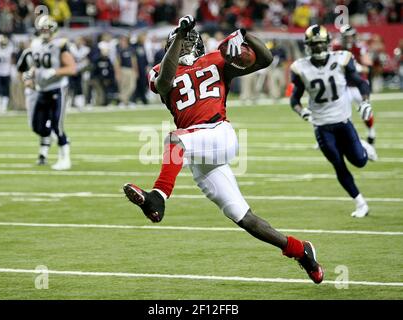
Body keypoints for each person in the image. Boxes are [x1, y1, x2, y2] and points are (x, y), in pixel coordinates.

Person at [123, 15, 324, 284]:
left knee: (174, 140)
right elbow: (163, 84)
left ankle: (157, 198)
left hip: (218, 134)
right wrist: (179, 37)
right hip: (199, 149)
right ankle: (301, 251)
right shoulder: (162, 69)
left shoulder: (217, 60)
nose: (184, 44)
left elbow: (265, 59)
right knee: (242, 217)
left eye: (187, 40)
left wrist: (243, 34)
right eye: (180, 41)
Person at [289, 24, 377, 219]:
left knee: (360, 161)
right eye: (314, 45)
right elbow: (294, 100)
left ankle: (363, 146)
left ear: (328, 44)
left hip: (343, 121)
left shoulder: (343, 59)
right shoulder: (300, 67)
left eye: (321, 44)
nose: (318, 48)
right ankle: (360, 203)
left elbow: (362, 82)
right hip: (321, 126)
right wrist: (302, 112)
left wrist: (365, 102)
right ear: (308, 46)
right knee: (338, 164)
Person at [28, 15, 76, 170]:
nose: (45, 31)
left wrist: (55, 71)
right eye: (42, 28)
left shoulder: (60, 44)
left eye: (47, 28)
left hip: (57, 89)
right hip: (41, 90)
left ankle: (65, 158)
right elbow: (36, 66)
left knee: (57, 125)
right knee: (37, 126)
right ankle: (63, 140)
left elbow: (71, 68)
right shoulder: (35, 44)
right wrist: (30, 77)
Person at [333, 25, 376, 146]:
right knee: (342, 113)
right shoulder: (337, 47)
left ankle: (371, 132)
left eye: (350, 37)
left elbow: (368, 68)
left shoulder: (359, 48)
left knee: (365, 110)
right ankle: (346, 138)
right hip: (344, 85)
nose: (348, 39)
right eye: (345, 37)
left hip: (359, 84)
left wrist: (358, 68)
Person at [0, 34, 15, 113]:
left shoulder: (9, 49)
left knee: (6, 90)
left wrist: (12, 71)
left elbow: (12, 61)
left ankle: (4, 106)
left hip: (6, 72)